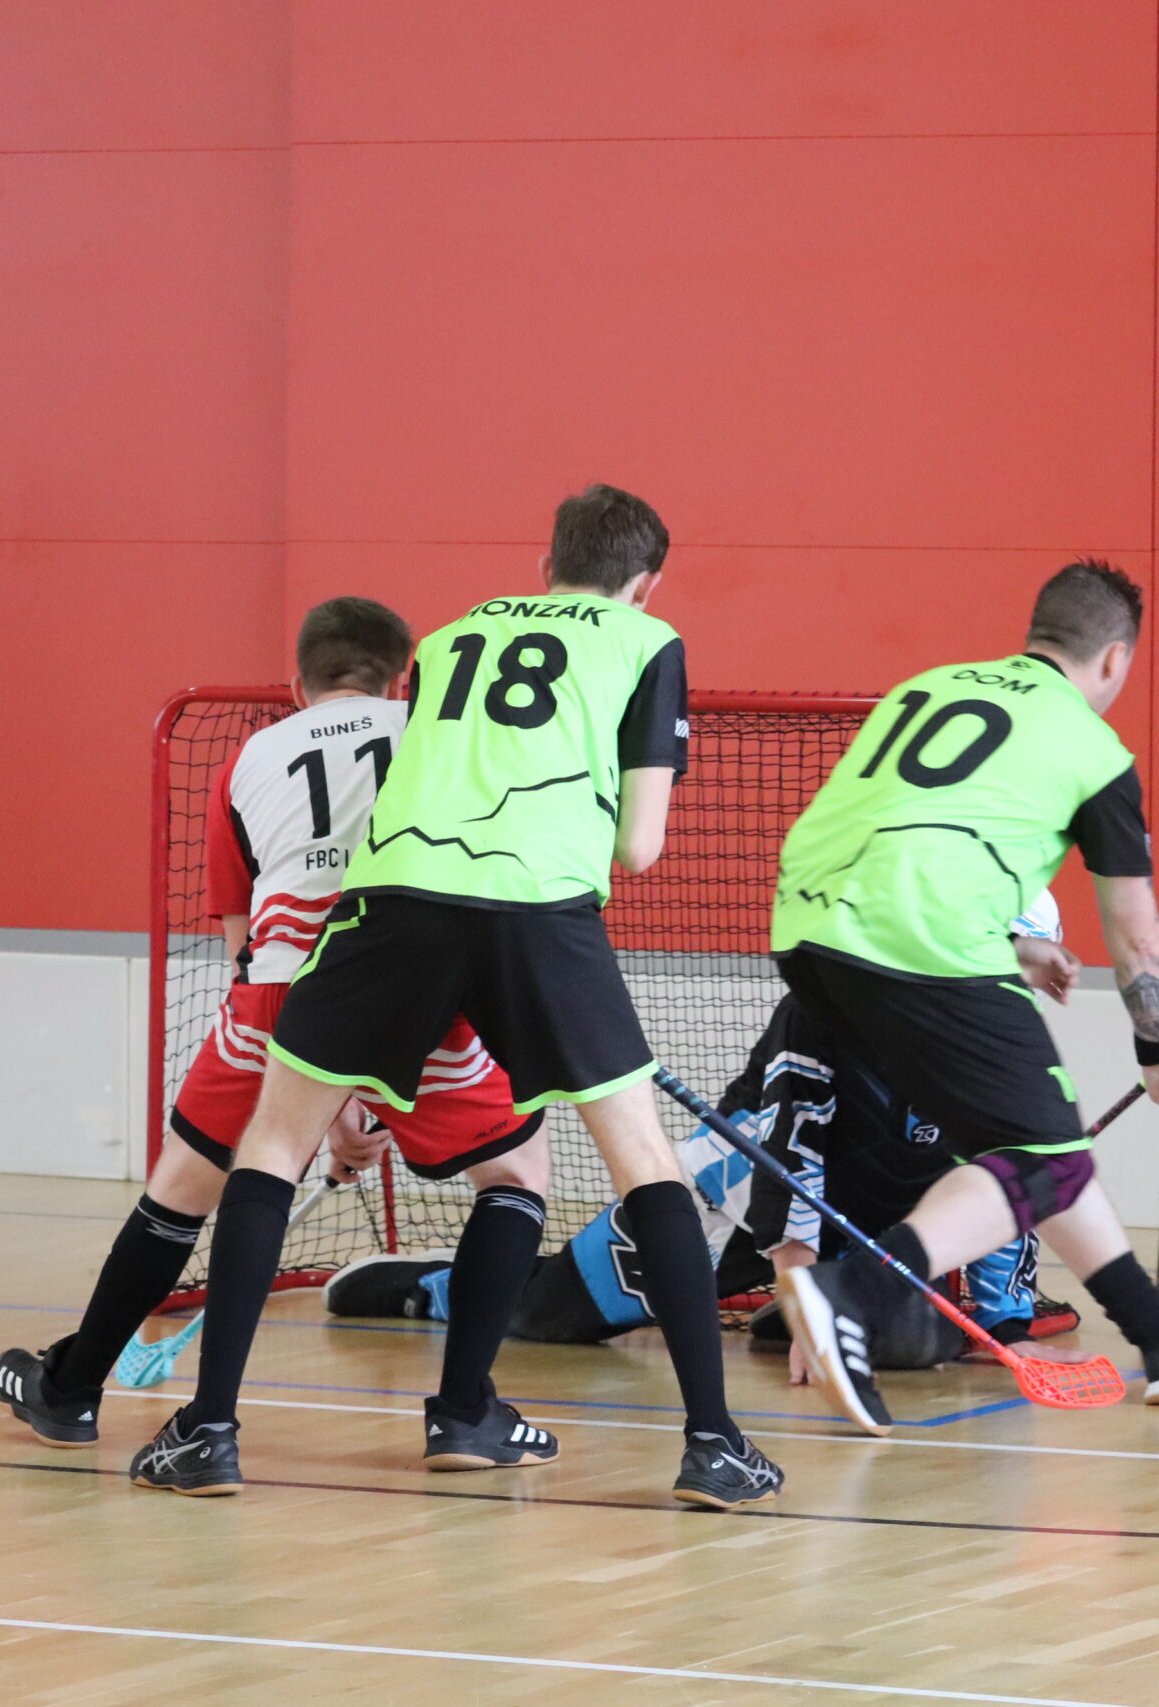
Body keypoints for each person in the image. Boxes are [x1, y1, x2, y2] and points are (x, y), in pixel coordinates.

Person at [120, 484, 782, 1510]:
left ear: (545, 564)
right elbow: (640, 846)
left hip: (393, 901)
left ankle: (207, 1432)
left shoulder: (447, 637)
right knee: (637, 1161)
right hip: (539, 911)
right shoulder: (648, 640)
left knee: (273, 1144)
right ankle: (713, 1445)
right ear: (646, 584)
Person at [0, 597, 547, 1459]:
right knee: (514, 1174)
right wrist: (366, 1092)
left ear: (297, 684)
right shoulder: (434, 732)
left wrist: (334, 1099)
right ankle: (465, 1412)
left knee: (183, 1185)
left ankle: (70, 1390)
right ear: (402, 676)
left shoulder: (249, 758)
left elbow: (244, 938)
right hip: (426, 989)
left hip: (284, 993)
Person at [768, 559, 1159, 1436]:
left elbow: (890, 836)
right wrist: (1157, 1047)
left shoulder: (927, 686)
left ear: (1037, 632)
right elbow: (1136, 933)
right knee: (1047, 1158)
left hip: (807, 932)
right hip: (924, 938)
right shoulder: (1094, 749)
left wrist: (1009, 945)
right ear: (1115, 658)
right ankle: (853, 1292)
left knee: (1040, 1148)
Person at [326, 898, 1086, 1372]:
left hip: (869, 1230)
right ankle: (436, 1287)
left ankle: (799, 1304)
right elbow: (789, 1158)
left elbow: (1013, 1181)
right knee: (545, 1320)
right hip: (737, 1200)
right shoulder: (837, 1010)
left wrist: (1006, 1325)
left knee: (910, 1344)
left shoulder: (1006, 1053)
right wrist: (803, 1292)